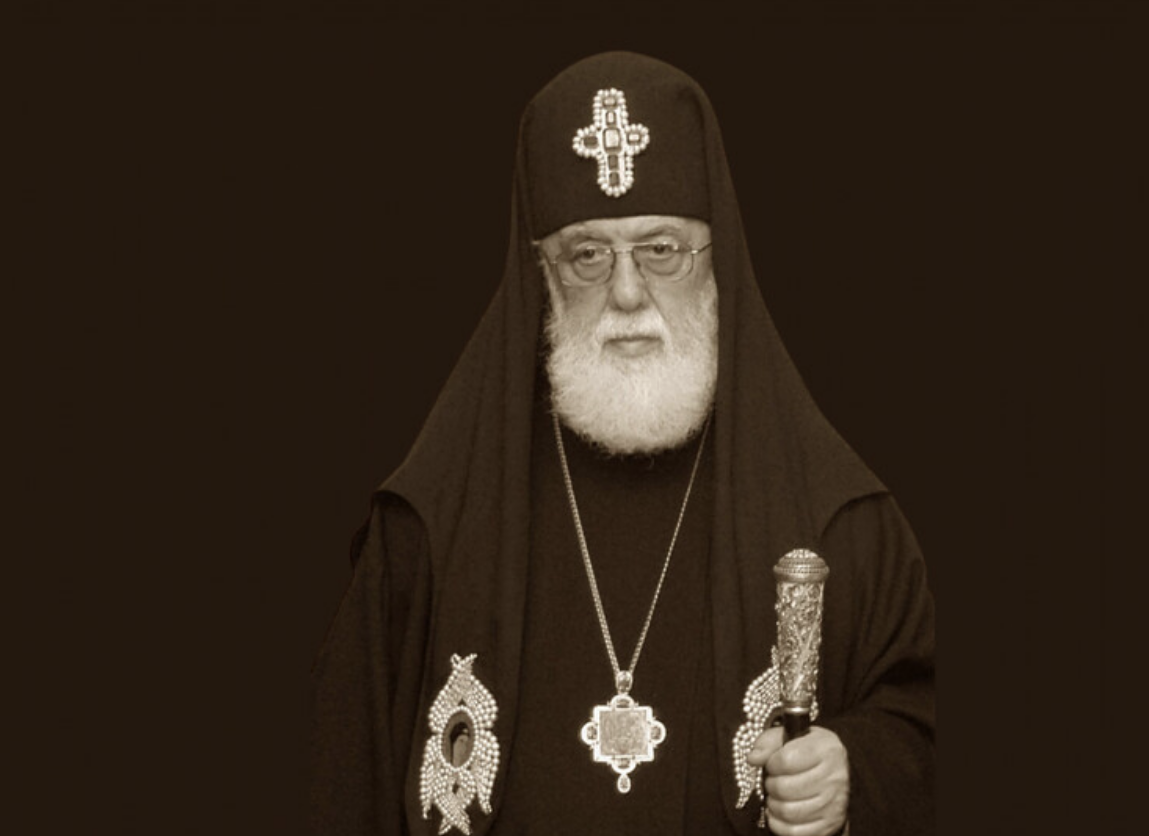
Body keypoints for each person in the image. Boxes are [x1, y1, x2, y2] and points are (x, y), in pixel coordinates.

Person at [310, 52, 934, 836]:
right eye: (588, 255)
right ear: (542, 275)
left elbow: (922, 724)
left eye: (661, 249)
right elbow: (342, 782)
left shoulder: (840, 522)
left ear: (716, 261)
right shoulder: (429, 526)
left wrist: (855, 773)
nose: (628, 292)